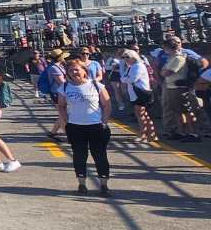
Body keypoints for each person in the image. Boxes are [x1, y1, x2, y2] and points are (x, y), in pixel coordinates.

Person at [57, 59, 113, 195]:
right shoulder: (64, 87)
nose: (74, 72)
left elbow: (107, 105)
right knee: (79, 156)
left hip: (96, 126)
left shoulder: (96, 85)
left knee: (100, 155)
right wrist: (66, 123)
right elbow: (61, 106)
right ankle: (81, 184)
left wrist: (104, 122)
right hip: (76, 126)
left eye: (77, 69)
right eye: (71, 70)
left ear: (84, 71)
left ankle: (104, 185)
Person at [160, 36, 202, 143]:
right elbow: (164, 71)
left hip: (179, 88)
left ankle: (193, 133)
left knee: (186, 111)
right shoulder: (172, 58)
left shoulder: (178, 58)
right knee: (177, 111)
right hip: (172, 87)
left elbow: (166, 72)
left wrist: (164, 71)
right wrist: (164, 71)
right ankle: (181, 131)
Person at [120, 49, 157, 143]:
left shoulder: (138, 66)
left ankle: (143, 134)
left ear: (134, 57)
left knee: (141, 114)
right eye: (124, 57)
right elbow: (124, 77)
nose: (126, 59)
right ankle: (151, 134)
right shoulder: (131, 66)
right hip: (136, 93)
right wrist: (125, 78)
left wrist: (125, 79)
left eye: (127, 57)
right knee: (143, 114)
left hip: (140, 93)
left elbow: (132, 79)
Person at [44, 49, 69, 140]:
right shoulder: (54, 68)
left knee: (62, 114)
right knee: (63, 114)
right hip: (57, 93)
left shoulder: (59, 66)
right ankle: (68, 135)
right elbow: (61, 82)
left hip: (60, 92)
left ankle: (53, 132)